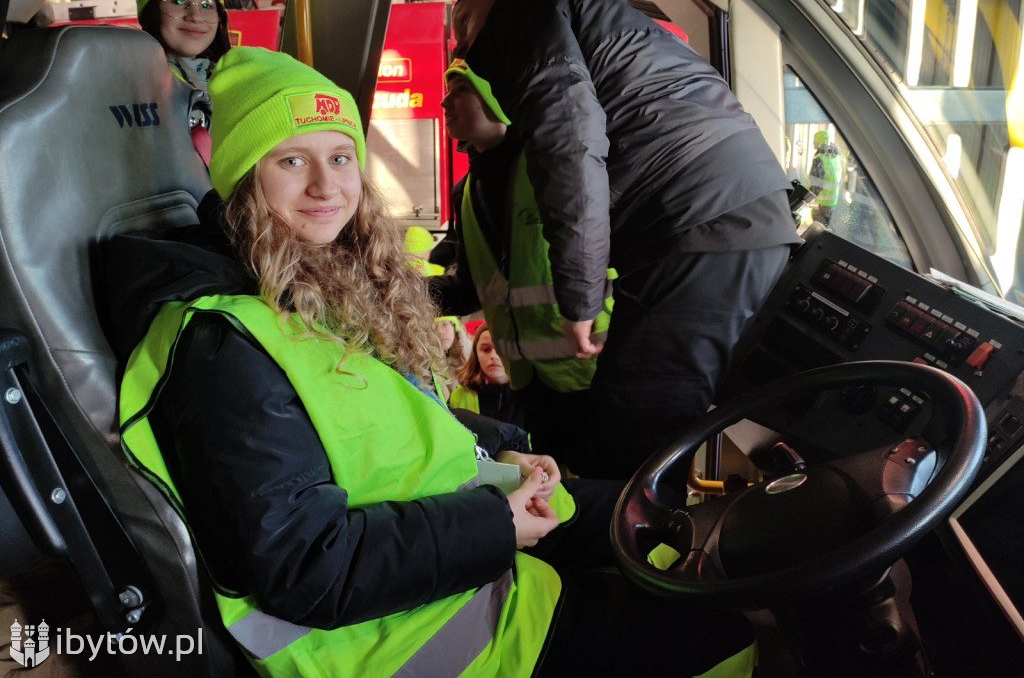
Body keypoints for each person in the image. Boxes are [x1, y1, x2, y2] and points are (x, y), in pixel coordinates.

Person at [102, 46, 757, 678]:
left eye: (340, 156)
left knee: (658, 517)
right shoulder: (226, 345)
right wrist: (495, 524)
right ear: (245, 176)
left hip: (455, 556)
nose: (327, 185)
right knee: (727, 634)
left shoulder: (310, 285)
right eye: (291, 161)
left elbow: (382, 433)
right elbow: (308, 570)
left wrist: (498, 457)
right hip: (408, 639)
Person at [451, 0, 802, 478]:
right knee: (651, 419)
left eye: (464, 26)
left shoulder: (524, 14)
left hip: (699, 220)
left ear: (494, 7)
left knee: (634, 430)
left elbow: (569, 147)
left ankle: (637, 555)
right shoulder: (604, 23)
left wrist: (580, 298)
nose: (463, 46)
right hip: (729, 215)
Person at [434, 58, 612, 471]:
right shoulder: (467, 191)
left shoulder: (555, 172)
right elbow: (471, 288)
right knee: (559, 495)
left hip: (597, 374)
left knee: (610, 493)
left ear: (500, 100)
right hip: (532, 386)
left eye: (462, 90)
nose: (445, 101)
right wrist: (390, 290)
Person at [135, 0, 231, 94]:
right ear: (152, 10)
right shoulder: (132, 83)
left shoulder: (230, 77)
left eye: (207, 5)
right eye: (179, 1)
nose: (196, 16)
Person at [448, 324, 527, 430]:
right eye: (486, 349)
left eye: (502, 349)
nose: (494, 356)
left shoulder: (531, 396)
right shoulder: (459, 396)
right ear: (476, 354)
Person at [808, 129, 842, 225]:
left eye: (815, 140)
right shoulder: (835, 158)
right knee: (828, 226)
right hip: (833, 201)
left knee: (820, 227)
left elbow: (817, 183)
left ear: (819, 142)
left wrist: (807, 198)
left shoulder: (820, 159)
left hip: (823, 201)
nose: (813, 142)